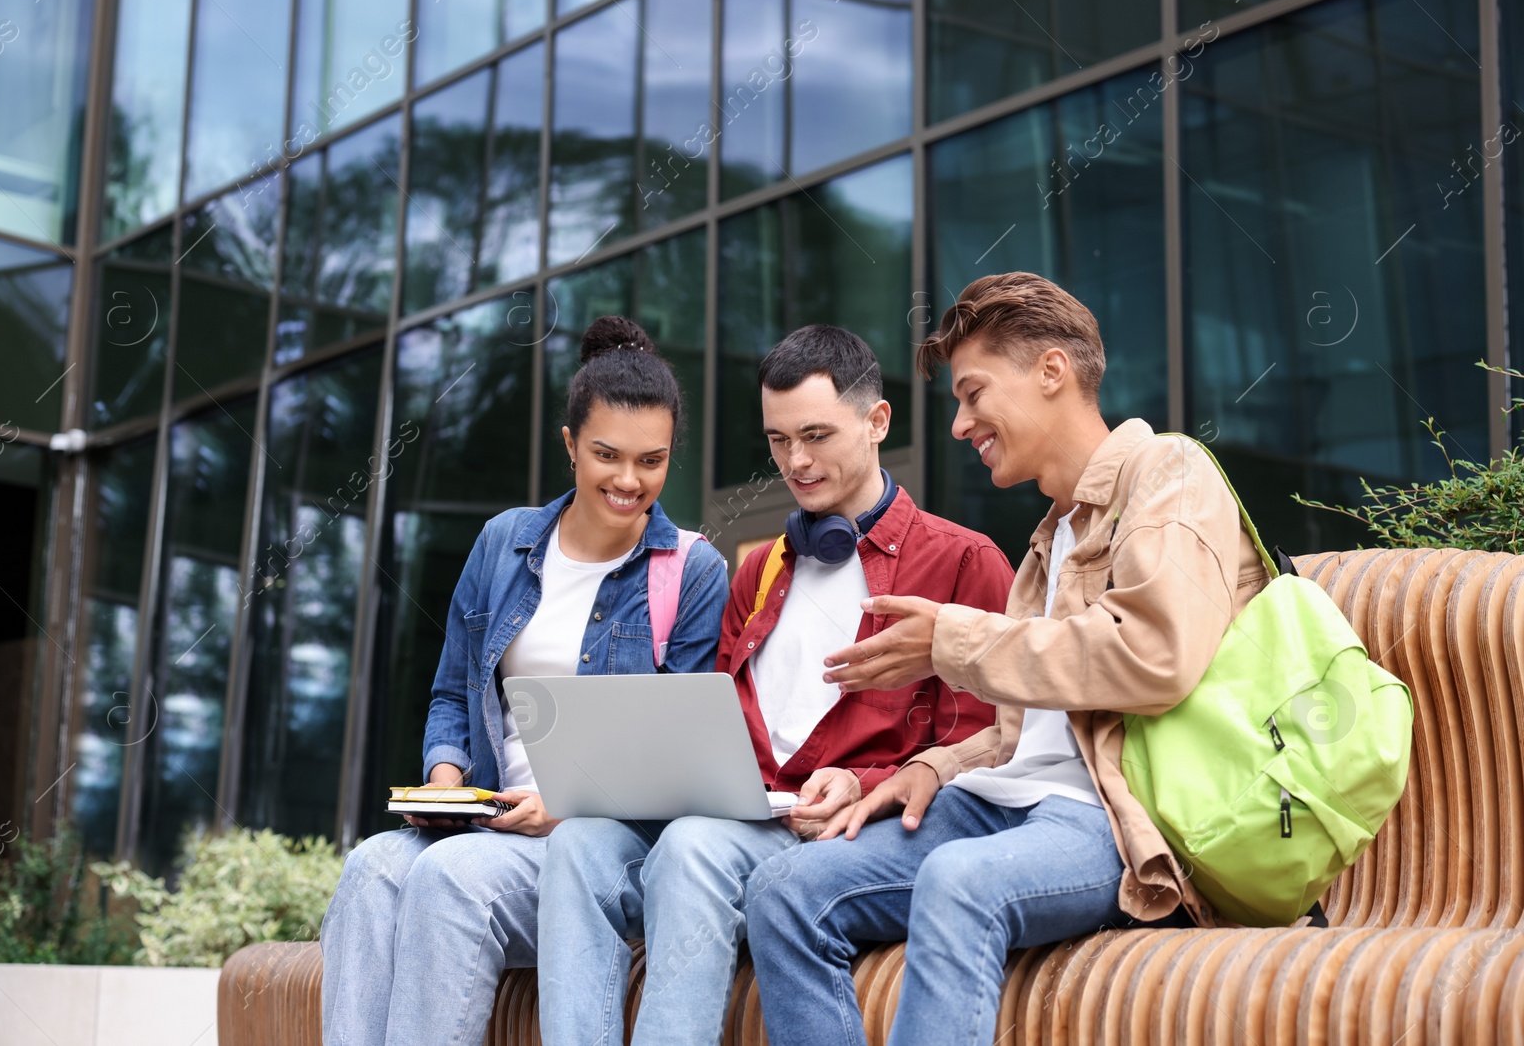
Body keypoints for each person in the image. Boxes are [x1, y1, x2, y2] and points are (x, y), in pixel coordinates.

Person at [742, 273, 1270, 1045]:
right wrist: (927, 767)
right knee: (783, 887)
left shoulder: (1170, 473)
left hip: (1105, 821)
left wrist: (951, 642)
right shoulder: (1049, 537)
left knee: (958, 883)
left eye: (973, 393)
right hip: (998, 801)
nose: (959, 424)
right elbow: (1039, 731)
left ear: (1052, 372)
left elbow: (1155, 657)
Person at [536, 324, 1014, 1046]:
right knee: (579, 845)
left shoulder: (963, 562)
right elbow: (717, 723)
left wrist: (868, 781)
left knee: (694, 846)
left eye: (816, 434)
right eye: (778, 439)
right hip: (741, 819)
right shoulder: (759, 569)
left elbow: (993, 740)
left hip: (848, 836)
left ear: (878, 420)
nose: (796, 460)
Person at [320, 317, 729, 1046]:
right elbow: (451, 692)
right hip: (486, 816)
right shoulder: (503, 544)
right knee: (371, 867)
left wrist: (565, 805)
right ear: (570, 445)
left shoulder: (692, 572)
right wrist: (445, 779)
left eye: (652, 460)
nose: (629, 481)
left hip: (597, 847)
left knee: (450, 880)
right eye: (607, 455)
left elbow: (683, 756)